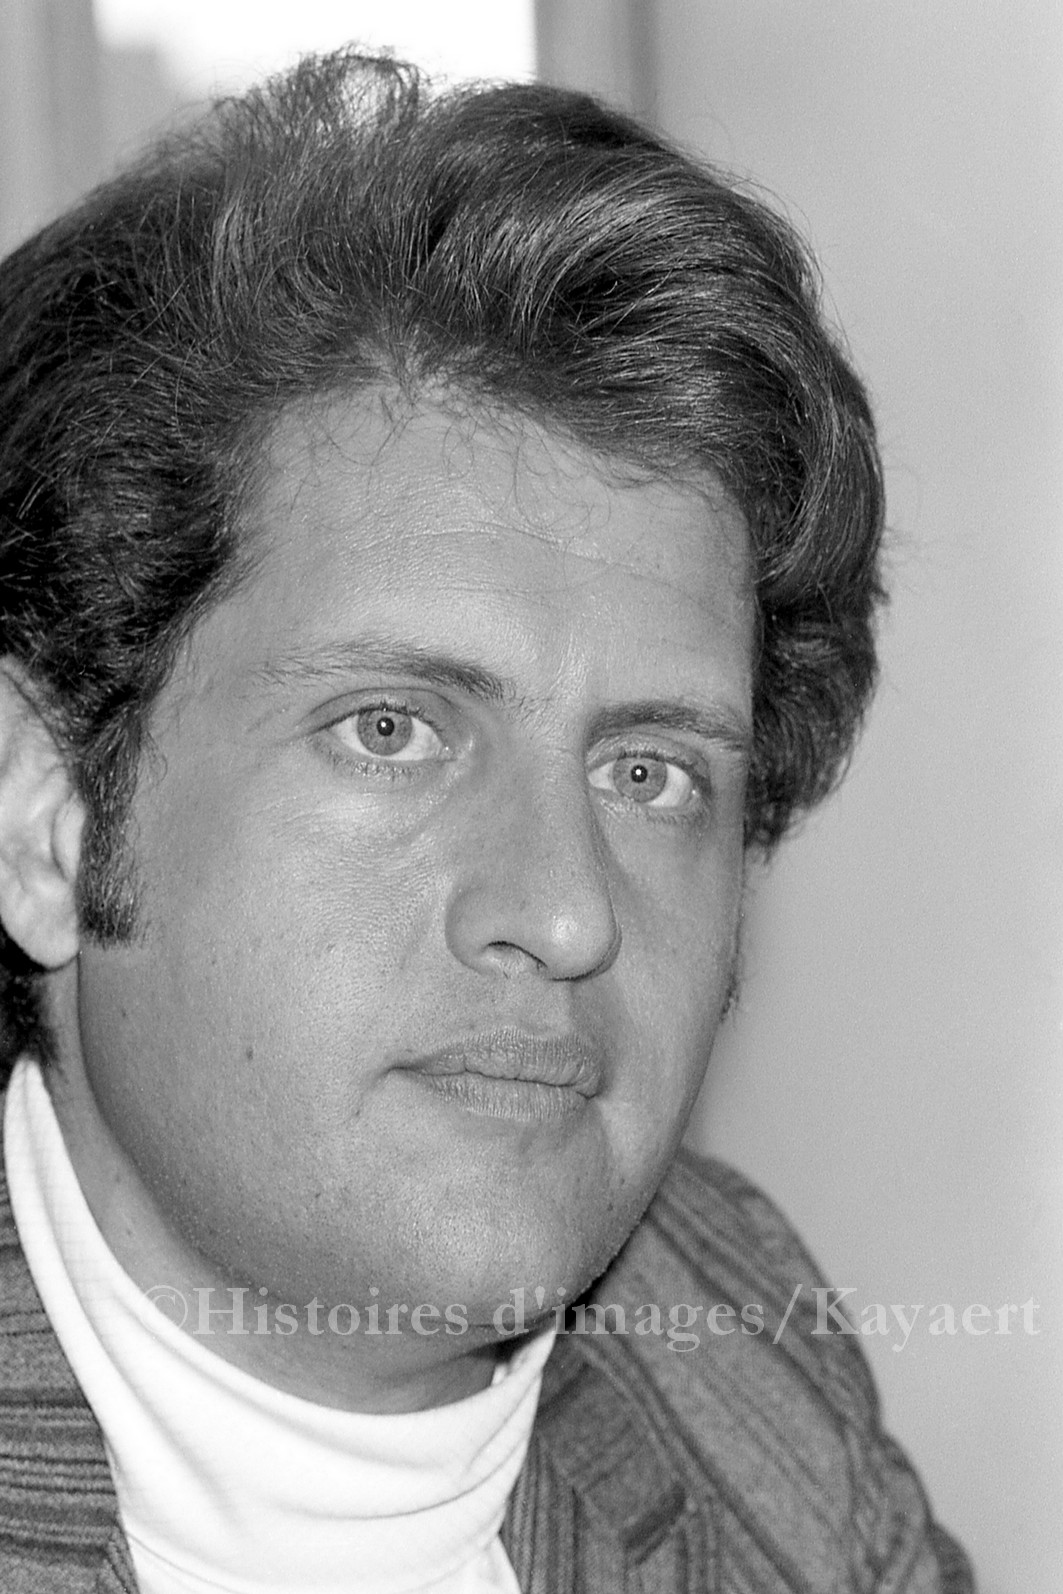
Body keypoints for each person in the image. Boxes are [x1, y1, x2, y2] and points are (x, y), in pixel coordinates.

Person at [0, 46, 972, 1594]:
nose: (569, 911)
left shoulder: (731, 1340)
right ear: (47, 812)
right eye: (391, 731)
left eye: (649, 773)